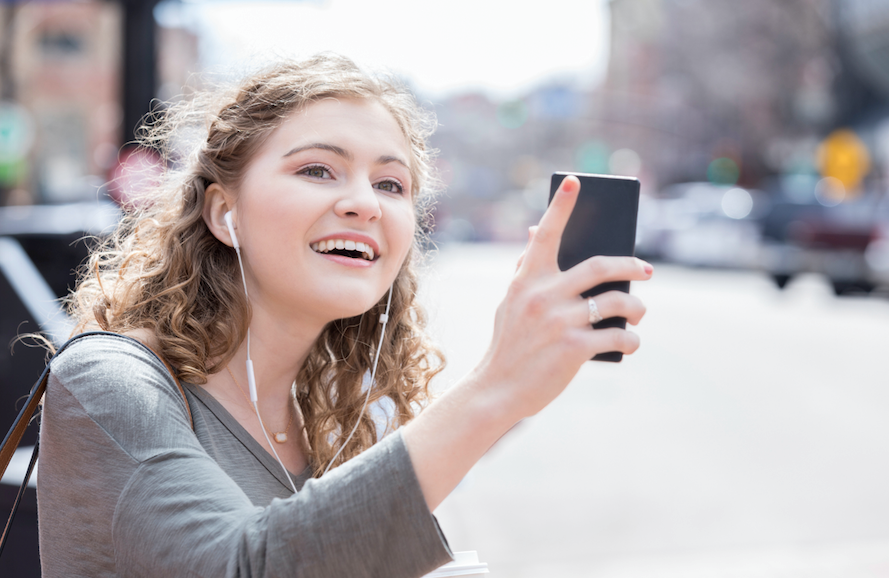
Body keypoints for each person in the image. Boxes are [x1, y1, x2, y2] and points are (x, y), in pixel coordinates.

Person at [37, 53, 652, 578]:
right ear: (226, 214)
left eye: (391, 185)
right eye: (316, 170)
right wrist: (496, 389)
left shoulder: (333, 416)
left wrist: (520, 387)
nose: (364, 203)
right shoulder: (108, 381)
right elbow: (240, 565)